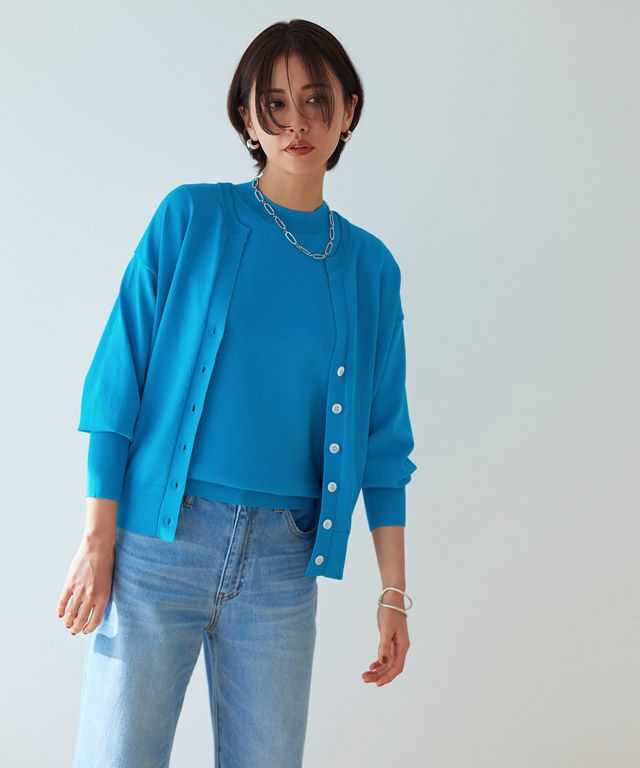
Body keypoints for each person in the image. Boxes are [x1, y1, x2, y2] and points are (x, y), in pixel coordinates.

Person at [59, 18, 417, 768]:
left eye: (316, 100)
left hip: (282, 569)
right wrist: (98, 538)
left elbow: (384, 444)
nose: (297, 123)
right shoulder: (191, 218)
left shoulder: (371, 269)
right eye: (275, 105)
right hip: (158, 547)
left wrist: (394, 592)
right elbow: (117, 379)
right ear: (247, 118)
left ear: (348, 110)